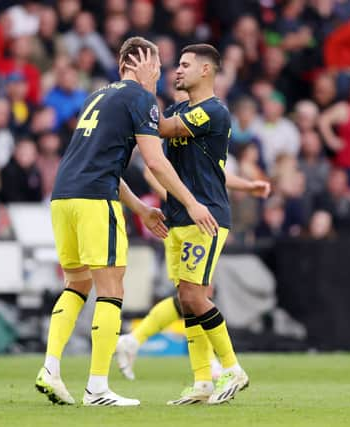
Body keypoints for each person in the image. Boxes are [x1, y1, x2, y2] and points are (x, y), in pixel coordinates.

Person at [35, 36, 218, 407]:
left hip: (63, 197)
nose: (160, 72)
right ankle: (97, 389)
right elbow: (155, 161)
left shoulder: (98, 96)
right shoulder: (140, 98)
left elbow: (103, 163)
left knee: (77, 282)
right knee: (112, 287)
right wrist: (191, 202)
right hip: (93, 201)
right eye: (155, 64)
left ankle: (50, 369)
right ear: (136, 65)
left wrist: (140, 209)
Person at [137, 43, 250, 405]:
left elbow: (163, 130)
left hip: (208, 215)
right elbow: (158, 157)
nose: (178, 70)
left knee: (193, 295)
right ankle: (202, 382)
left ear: (206, 70)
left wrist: (144, 89)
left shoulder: (214, 112)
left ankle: (232, 369)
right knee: (188, 301)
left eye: (186, 65)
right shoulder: (177, 108)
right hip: (180, 217)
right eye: (178, 64)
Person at [115, 167, 271, 381]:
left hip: (194, 222)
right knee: (196, 295)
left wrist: (246, 186)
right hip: (183, 224)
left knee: (193, 296)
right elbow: (152, 171)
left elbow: (211, 171)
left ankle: (134, 340)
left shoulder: (197, 139)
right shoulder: (176, 137)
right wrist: (181, 202)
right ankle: (212, 364)